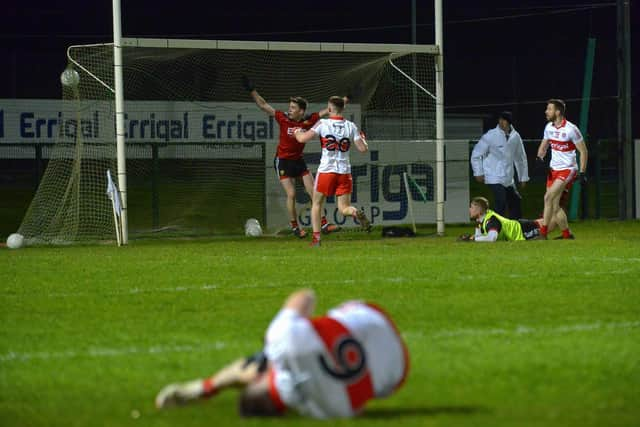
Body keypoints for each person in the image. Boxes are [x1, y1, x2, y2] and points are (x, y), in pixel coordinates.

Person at [155, 289, 409, 419]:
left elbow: (360, 411)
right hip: (372, 317)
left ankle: (201, 389)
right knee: (287, 341)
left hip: (397, 371)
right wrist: (269, 350)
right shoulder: (282, 340)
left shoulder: (320, 412)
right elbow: (305, 296)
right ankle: (201, 388)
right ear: (257, 382)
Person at [242, 76, 340, 238]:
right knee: (292, 194)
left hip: (298, 161)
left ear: (301, 111)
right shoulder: (283, 118)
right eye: (290, 107)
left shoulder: (308, 121)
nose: (290, 110)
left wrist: (347, 98)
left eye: (293, 108)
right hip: (283, 161)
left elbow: (329, 110)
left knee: (314, 191)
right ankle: (295, 227)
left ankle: (324, 224)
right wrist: (252, 91)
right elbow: (263, 105)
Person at [294, 96, 371, 246]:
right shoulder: (351, 126)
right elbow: (363, 149)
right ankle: (355, 212)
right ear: (343, 109)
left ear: (329, 109)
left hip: (326, 171)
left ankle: (316, 239)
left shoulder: (323, 123)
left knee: (316, 204)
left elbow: (302, 139)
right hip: (344, 172)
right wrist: (363, 138)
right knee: (344, 208)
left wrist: (297, 131)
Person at [536, 99, 588, 239]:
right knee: (554, 204)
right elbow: (543, 146)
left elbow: (583, 151)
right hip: (553, 170)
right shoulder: (549, 127)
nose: (546, 112)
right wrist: (539, 158)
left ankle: (543, 233)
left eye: (549, 109)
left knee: (548, 197)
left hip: (568, 169)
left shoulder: (571, 129)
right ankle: (566, 234)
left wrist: (582, 172)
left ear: (558, 112)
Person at [470, 111, 529, 219]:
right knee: (500, 200)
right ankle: (494, 227)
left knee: (516, 200)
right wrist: (478, 172)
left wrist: (523, 177)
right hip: (493, 176)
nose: (501, 122)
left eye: (504, 120)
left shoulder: (516, 137)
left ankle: (516, 227)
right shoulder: (491, 135)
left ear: (509, 122)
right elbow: (476, 154)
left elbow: (520, 158)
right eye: (500, 119)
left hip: (508, 178)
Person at [459, 196, 541, 242]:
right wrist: (472, 237)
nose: (469, 209)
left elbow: (492, 238)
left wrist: (473, 239)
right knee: (547, 222)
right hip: (517, 227)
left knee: (547, 224)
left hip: (521, 230)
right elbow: (480, 237)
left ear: (479, 210)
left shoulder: (491, 220)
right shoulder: (481, 220)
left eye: (471, 207)